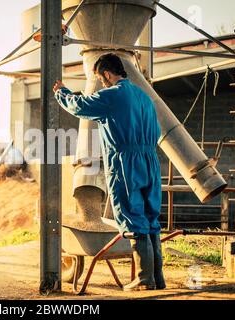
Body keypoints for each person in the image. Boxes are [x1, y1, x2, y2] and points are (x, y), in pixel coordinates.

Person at [53, 53, 165, 291]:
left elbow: (81, 107)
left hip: (126, 162)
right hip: (150, 161)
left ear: (106, 74)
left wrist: (62, 93)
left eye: (100, 78)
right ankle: (157, 278)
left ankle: (145, 279)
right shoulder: (144, 97)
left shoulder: (113, 94)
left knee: (133, 216)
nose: (101, 83)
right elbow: (155, 130)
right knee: (150, 218)